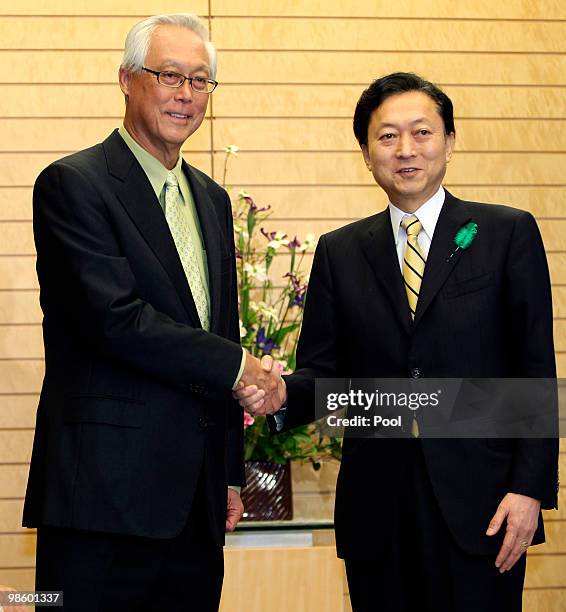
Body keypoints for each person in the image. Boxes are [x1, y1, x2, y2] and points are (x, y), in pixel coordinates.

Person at [234, 73, 558, 611]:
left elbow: (532, 372)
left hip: (485, 506)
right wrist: (282, 395)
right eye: (387, 137)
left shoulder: (505, 233)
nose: (406, 150)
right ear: (366, 153)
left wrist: (528, 490)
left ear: (449, 142)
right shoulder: (340, 252)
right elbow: (324, 374)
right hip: (377, 510)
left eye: (422, 132)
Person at [23, 13, 279, 611]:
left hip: (194, 502)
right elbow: (113, 318)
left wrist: (229, 471)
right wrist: (241, 368)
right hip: (100, 499)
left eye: (200, 80)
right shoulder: (73, 184)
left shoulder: (213, 200)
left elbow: (221, 330)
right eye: (169, 75)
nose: (185, 94)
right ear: (126, 80)